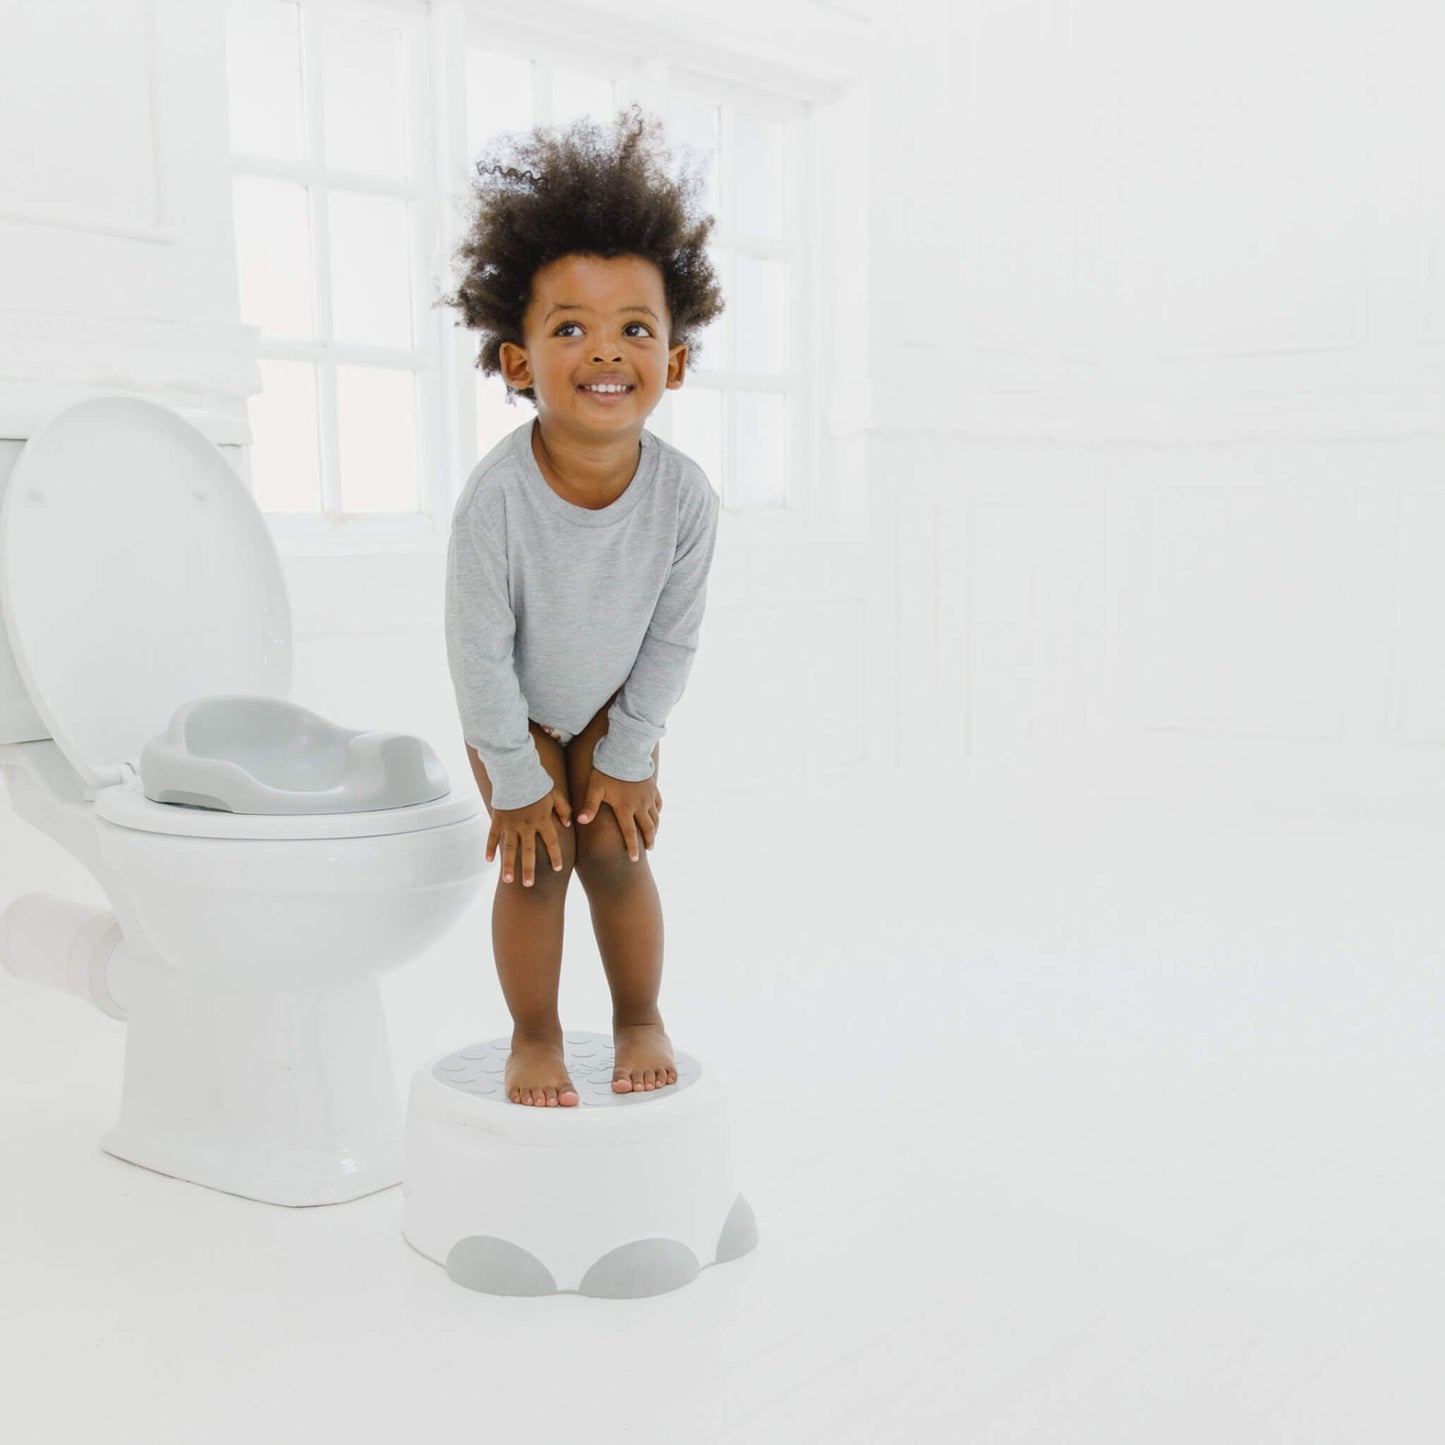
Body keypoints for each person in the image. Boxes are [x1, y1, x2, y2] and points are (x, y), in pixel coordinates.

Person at [440, 105, 725, 1108]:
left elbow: (672, 634)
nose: (603, 351)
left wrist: (629, 745)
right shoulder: (494, 501)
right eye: (569, 328)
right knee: (535, 864)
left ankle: (638, 1014)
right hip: (510, 706)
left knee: (612, 847)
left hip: (612, 700)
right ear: (517, 362)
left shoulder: (684, 497)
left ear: (673, 363)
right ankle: (533, 1032)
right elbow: (476, 652)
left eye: (633, 329)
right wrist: (514, 773)